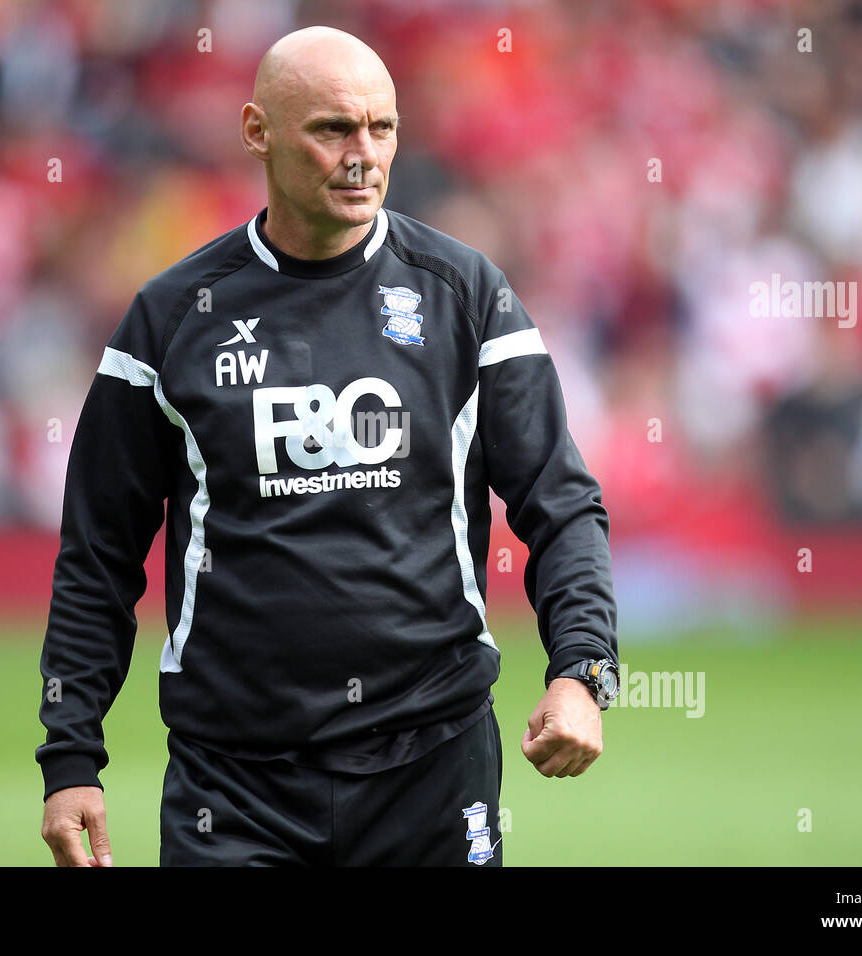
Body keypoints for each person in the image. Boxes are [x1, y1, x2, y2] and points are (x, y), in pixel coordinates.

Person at [37, 25, 618, 867]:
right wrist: (70, 758)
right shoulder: (169, 320)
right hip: (232, 787)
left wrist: (582, 673)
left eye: (381, 128)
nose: (363, 155)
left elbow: (563, 509)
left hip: (433, 765)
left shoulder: (468, 299)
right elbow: (98, 556)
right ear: (257, 131)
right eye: (333, 129)